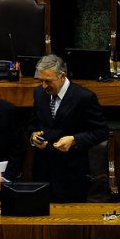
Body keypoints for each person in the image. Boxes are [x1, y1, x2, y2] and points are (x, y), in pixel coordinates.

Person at [27, 54, 109, 202]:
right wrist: (33, 136)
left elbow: (102, 131)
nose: (44, 86)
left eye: (48, 81)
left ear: (62, 76)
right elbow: (33, 124)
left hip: (71, 176)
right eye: (41, 81)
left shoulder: (84, 97)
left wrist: (74, 139)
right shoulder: (39, 93)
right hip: (42, 175)